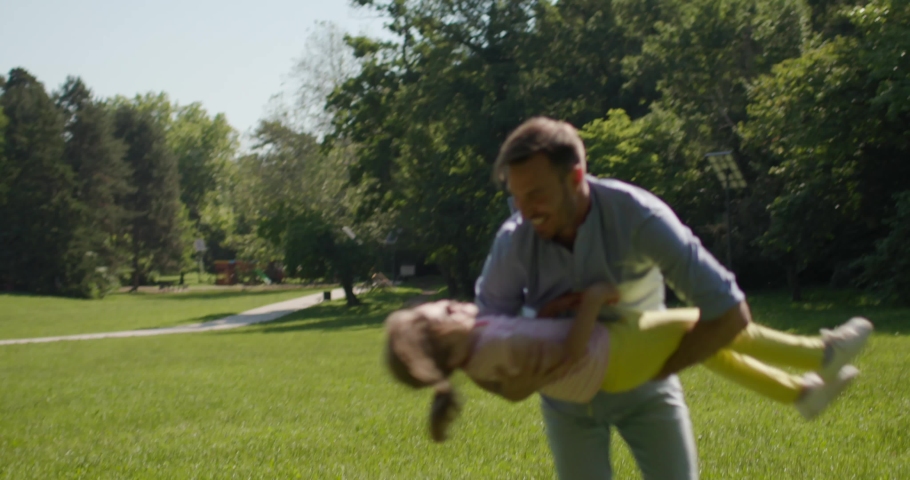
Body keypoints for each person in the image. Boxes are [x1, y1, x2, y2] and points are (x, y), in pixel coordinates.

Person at [474, 116, 751, 479]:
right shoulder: (514, 239)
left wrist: (657, 368)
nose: (524, 211)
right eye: (516, 196)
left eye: (536, 194)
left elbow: (730, 311)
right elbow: (484, 330)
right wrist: (537, 325)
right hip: (567, 399)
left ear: (574, 179)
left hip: (646, 391)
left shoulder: (638, 215)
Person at [383, 283, 872, 443]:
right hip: (604, 356)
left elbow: (540, 344)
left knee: (706, 349)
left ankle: (801, 393)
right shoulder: (493, 350)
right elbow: (567, 352)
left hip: (608, 365)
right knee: (704, 323)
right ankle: (822, 353)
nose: (455, 304)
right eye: (444, 313)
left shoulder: (483, 349)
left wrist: (553, 311)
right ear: (445, 345)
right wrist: (592, 301)